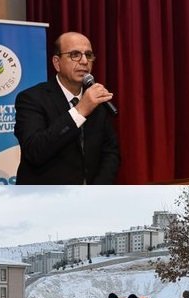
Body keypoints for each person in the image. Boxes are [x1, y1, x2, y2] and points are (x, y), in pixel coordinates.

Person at [14, 32, 120, 184]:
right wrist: (80, 111)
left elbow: (111, 152)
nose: (84, 61)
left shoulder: (96, 98)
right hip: (46, 199)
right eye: (75, 54)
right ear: (57, 62)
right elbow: (35, 151)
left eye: (88, 55)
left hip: (91, 198)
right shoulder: (31, 98)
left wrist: (98, 189)